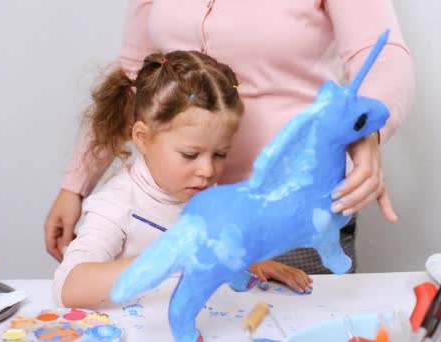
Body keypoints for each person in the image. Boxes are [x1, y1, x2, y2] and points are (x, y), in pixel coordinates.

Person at [46, 1, 415, 274]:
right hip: (178, 209)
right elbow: (132, 72)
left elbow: (382, 55)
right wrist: (76, 184)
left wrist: (365, 132)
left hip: (290, 211)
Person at [54, 50, 313, 308]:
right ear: (143, 138)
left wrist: (248, 265)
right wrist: (170, 257)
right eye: (190, 154)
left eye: (220, 154)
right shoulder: (117, 205)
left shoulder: (202, 194)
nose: (208, 170)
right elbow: (69, 288)